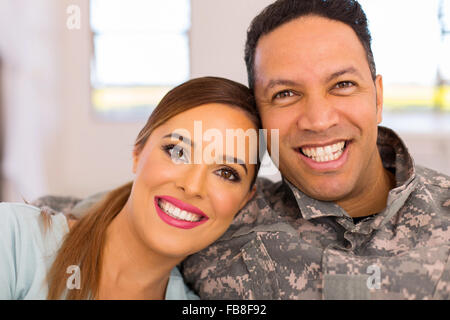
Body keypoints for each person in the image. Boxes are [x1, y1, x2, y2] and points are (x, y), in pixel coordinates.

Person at [180, 0, 450, 299]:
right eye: (285, 93)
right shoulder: (215, 224)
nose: (319, 121)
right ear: (258, 117)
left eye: (342, 84)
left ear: (378, 98)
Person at [0, 76, 261, 300]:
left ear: (244, 201)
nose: (192, 186)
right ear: (138, 152)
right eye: (177, 151)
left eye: (226, 173)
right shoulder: (13, 241)